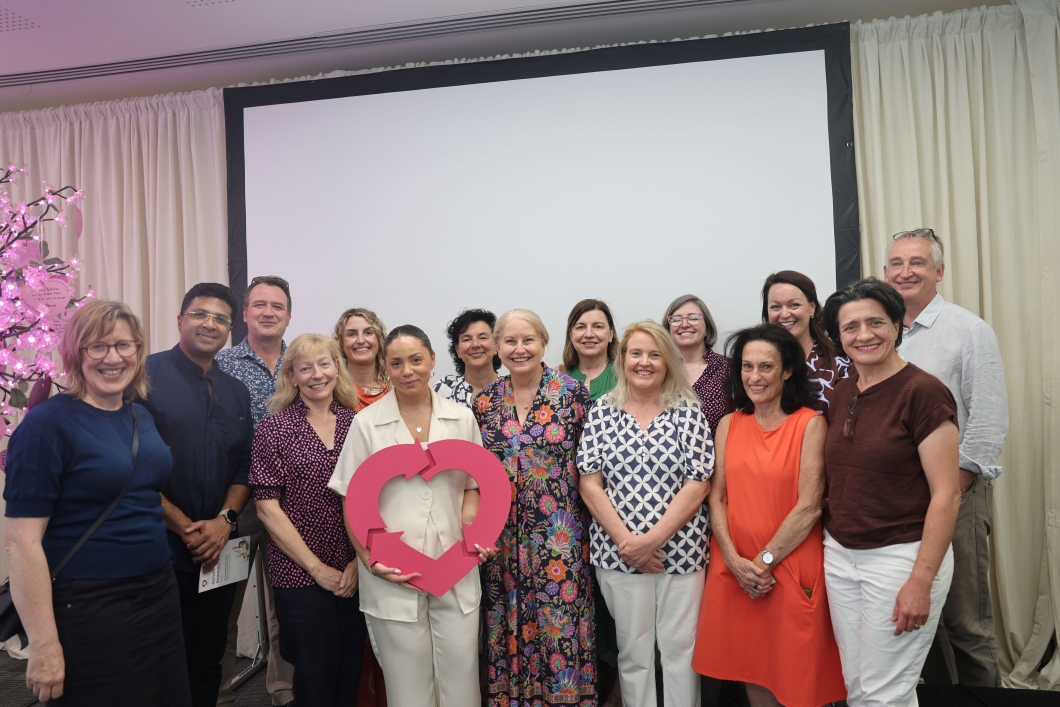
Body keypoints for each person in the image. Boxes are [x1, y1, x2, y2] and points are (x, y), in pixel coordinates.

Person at [4, 300, 191, 705]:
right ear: (75, 354)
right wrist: (44, 644)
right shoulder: (47, 424)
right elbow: (20, 543)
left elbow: (143, 492)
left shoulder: (140, 416)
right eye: (98, 347)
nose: (113, 357)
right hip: (89, 603)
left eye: (124, 346)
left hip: (158, 591)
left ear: (138, 352)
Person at [327, 325, 493, 707]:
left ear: (433, 360)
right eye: (397, 362)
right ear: (386, 366)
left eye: (416, 360)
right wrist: (370, 560)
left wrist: (472, 533)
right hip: (393, 571)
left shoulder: (461, 418)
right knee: (407, 688)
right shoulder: (366, 424)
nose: (408, 371)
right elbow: (353, 498)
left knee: (461, 679)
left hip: (455, 564)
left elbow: (473, 485)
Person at [820, 277, 961, 706]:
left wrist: (922, 579)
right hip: (842, 555)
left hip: (901, 558)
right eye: (851, 327)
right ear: (837, 337)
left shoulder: (923, 392)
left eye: (875, 323)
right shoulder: (843, 391)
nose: (864, 335)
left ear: (897, 325)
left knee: (886, 693)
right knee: (859, 686)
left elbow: (947, 495)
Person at [692, 324, 845, 707]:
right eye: (747, 367)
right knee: (752, 668)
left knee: (797, 677)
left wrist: (762, 563)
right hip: (735, 570)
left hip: (786, 568)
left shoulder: (810, 423)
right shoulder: (729, 424)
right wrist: (732, 558)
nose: (754, 377)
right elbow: (717, 498)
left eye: (766, 367)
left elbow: (810, 505)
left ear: (788, 370)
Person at [883, 228, 1008, 687]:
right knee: (916, 625)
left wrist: (950, 491)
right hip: (897, 504)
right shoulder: (880, 333)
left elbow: (988, 421)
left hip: (955, 495)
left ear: (939, 271)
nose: (905, 271)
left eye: (917, 262)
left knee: (965, 623)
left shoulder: (968, 330)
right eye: (896, 263)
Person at [579, 320, 713, 707]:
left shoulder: (689, 411)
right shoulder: (602, 412)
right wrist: (628, 544)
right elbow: (590, 483)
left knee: (680, 654)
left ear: (667, 362)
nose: (645, 362)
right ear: (622, 359)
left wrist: (649, 543)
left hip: (681, 555)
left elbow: (698, 483)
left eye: (654, 354)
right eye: (636, 353)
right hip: (617, 555)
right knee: (633, 655)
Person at [473, 309, 597, 707]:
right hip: (502, 540)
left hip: (561, 539)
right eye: (509, 341)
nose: (519, 349)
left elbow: (593, 469)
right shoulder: (484, 403)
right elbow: (475, 477)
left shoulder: (573, 394)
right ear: (496, 348)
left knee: (559, 627)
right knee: (507, 623)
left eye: (528, 340)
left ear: (543, 342)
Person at [141, 283, 254, 707]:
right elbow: (130, 465)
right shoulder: (144, 376)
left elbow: (244, 463)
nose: (210, 324)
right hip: (158, 546)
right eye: (200, 314)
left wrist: (224, 520)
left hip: (219, 547)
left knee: (207, 657)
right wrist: (187, 528)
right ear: (180, 320)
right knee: (158, 656)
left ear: (230, 328)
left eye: (221, 318)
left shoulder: (235, 391)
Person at [250, 333, 365, 705]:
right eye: (305, 368)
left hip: (355, 569)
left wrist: (358, 563)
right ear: (292, 376)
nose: (317, 374)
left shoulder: (360, 425)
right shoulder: (273, 430)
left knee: (351, 671)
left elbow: (376, 498)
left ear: (337, 368)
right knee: (315, 675)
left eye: (324, 364)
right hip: (299, 573)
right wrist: (317, 569)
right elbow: (267, 508)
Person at [214, 275, 295, 707]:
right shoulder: (221, 365)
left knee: (288, 607)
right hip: (238, 503)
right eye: (259, 305)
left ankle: (284, 694)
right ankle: (220, 697)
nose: (268, 312)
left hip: (292, 506)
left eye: (277, 306)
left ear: (288, 315)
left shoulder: (303, 361)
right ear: (244, 314)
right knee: (223, 608)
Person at [761, 270, 850, 413]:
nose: (784, 314)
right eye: (775, 307)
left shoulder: (842, 363)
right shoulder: (752, 364)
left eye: (794, 305)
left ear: (812, 308)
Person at [663, 294, 729, 434]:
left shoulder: (728, 368)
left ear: (707, 328)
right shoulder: (659, 369)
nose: (685, 324)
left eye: (693, 318)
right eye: (676, 319)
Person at [433, 308, 501, 406]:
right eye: (466, 339)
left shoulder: (512, 388)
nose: (475, 344)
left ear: (496, 345)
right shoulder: (443, 389)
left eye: (482, 337)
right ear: (457, 350)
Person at [333, 307, 390, 410]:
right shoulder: (332, 391)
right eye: (352, 334)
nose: (360, 340)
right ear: (341, 343)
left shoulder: (396, 390)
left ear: (379, 339)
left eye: (368, 333)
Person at [562, 299, 618, 401]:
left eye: (598, 327)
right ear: (571, 335)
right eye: (580, 327)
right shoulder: (559, 374)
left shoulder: (624, 375)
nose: (589, 334)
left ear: (611, 334)